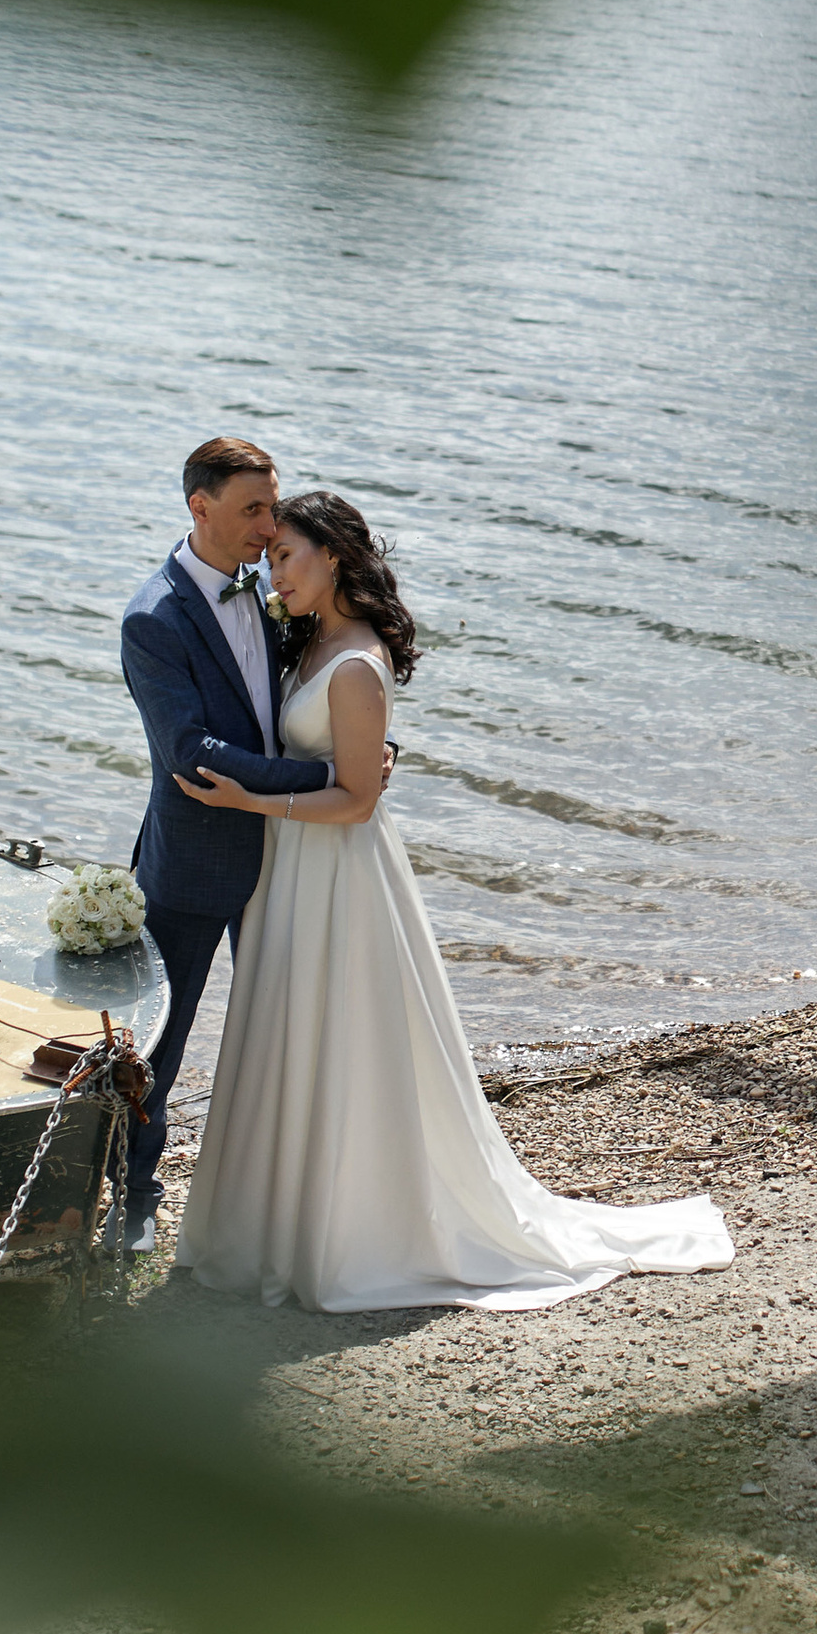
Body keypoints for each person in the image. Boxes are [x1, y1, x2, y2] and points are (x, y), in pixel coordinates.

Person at [170, 490, 732, 1310]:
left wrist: (250, 804)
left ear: (332, 556)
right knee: (296, 1035)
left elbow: (359, 798)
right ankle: (283, 1223)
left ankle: (350, 1233)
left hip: (339, 874)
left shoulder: (356, 663)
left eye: (286, 555)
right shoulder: (310, 641)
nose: (271, 570)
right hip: (297, 870)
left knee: (344, 1040)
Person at [117, 436, 351, 1251]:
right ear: (200, 507)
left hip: (290, 860)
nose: (268, 524)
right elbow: (191, 753)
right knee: (160, 1044)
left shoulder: (264, 588)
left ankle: (276, 1194)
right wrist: (325, 778)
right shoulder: (154, 618)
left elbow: (312, 690)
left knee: (284, 1027)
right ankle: (131, 1198)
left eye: (271, 506)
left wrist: (354, 756)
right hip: (191, 864)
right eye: (253, 509)